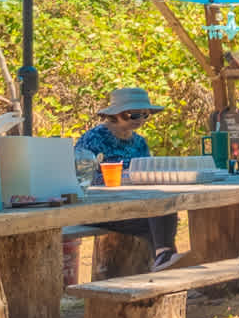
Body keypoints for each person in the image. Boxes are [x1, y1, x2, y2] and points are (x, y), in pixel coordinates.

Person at [75, 87, 180, 271]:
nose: (139, 121)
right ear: (116, 114)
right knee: (155, 215)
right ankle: (166, 260)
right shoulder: (93, 139)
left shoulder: (140, 142)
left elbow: (147, 173)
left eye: (145, 116)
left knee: (166, 207)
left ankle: (165, 259)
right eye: (133, 115)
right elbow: (79, 180)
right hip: (99, 207)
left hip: (134, 205)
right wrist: (117, 177)